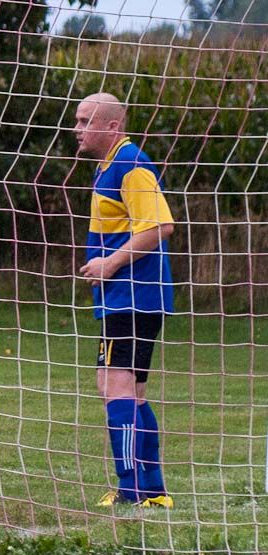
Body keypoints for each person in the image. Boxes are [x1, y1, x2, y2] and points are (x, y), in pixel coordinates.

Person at [73, 92, 174, 509]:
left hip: (134, 295)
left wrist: (109, 264)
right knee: (127, 389)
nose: (76, 129)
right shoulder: (108, 167)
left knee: (116, 386)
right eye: (76, 121)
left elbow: (160, 226)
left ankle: (131, 489)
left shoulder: (131, 164)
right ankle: (154, 490)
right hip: (125, 296)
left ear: (111, 126)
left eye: (84, 122)